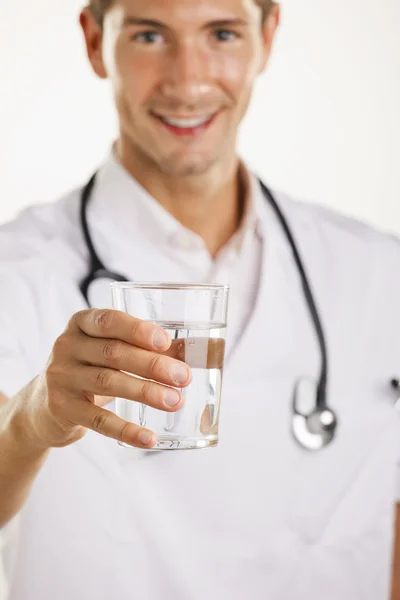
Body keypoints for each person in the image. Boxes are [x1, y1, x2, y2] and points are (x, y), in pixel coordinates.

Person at [0, 0, 399, 598]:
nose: (188, 82)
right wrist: (34, 420)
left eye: (222, 32)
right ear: (93, 40)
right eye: (150, 34)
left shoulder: (378, 271)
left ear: (266, 38)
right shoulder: (15, 271)